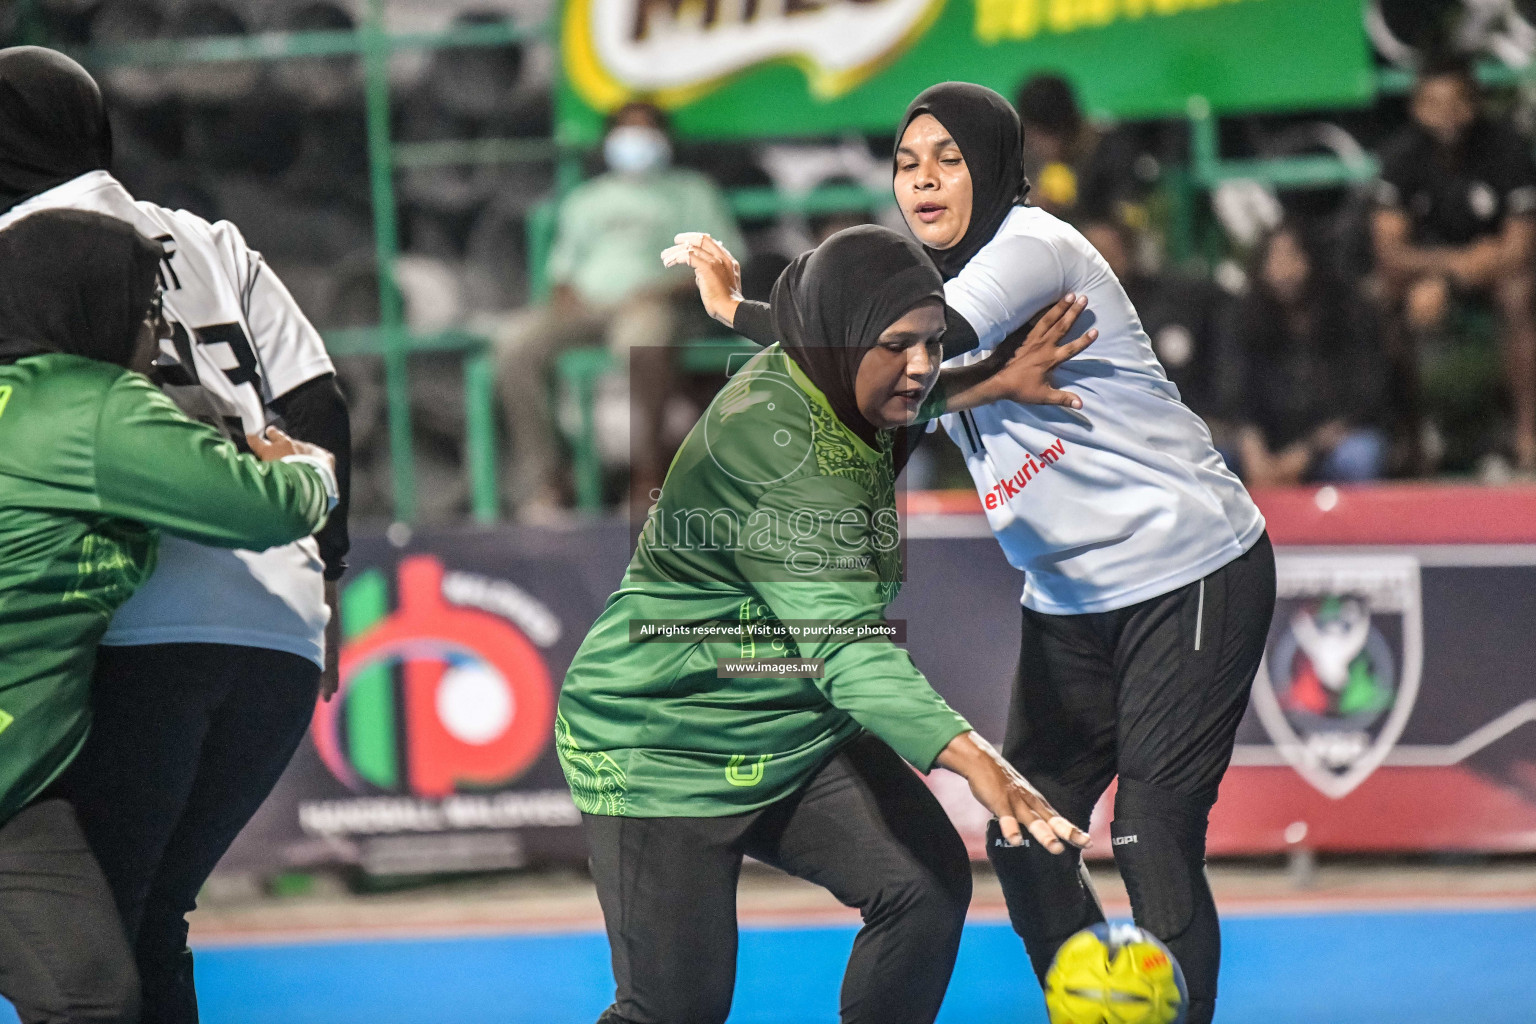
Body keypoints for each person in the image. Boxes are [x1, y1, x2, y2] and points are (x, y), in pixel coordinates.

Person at [677, 83, 1276, 1024]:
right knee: (1024, 827)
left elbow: (914, 343)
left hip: (1188, 567)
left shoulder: (1031, 248)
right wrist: (747, 315)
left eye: (948, 160)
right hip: (1068, 596)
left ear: (995, 167)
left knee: (1152, 832)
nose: (923, 181)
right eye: (907, 163)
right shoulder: (920, 284)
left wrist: (744, 312)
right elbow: (882, 368)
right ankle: (1097, 1008)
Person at [559, 225, 1094, 1024]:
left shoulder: (828, 364)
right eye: (897, 345)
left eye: (933, 342)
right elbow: (848, 651)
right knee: (671, 1013)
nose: (920, 365)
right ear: (841, 341)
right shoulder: (786, 464)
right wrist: (977, 759)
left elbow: (840, 344)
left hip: (782, 715)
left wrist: (985, 377)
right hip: (663, 740)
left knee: (919, 890)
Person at [0, 46, 352, 1024]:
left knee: (92, 950)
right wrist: (330, 583)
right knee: (148, 924)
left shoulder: (20, 254)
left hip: (130, 634)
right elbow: (320, 400)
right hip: (278, 629)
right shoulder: (207, 239)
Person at [494, 100, 744, 519]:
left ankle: (648, 474)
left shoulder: (691, 192)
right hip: (587, 309)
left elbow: (718, 263)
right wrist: (568, 300)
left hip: (654, 306)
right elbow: (563, 274)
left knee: (641, 340)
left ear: (665, 140)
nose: (636, 141)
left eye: (646, 131)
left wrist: (660, 292)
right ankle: (548, 481)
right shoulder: (585, 201)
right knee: (514, 345)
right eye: (626, 131)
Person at [1372, 54, 1536, 471]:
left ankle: (1527, 435)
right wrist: (1452, 269)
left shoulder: (1507, 147)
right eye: (1433, 103)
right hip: (1429, 275)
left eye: (1456, 102)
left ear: (1475, 102)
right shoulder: (1401, 156)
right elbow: (1389, 253)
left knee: (1521, 293)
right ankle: (1408, 442)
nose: (1446, 116)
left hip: (1495, 275)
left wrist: (1465, 274)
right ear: (1416, 107)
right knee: (1381, 300)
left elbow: (1518, 247)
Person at [1230, 221, 1388, 486]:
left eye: (1293, 255)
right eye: (1274, 257)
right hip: (1268, 448)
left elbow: (1364, 404)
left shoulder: (1351, 315)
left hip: (1329, 447)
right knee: (1208, 458)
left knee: (1362, 454)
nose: (1284, 269)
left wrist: (1305, 454)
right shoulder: (1246, 321)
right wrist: (1254, 452)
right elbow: (1237, 398)